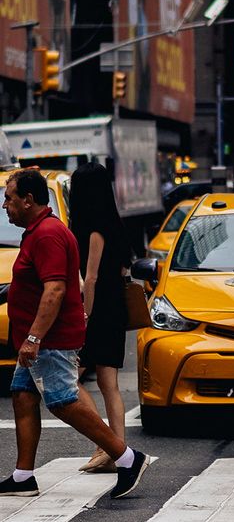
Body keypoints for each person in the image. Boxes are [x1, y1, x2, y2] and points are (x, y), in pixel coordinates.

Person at [0, 169, 149, 501]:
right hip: (41, 336)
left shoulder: (48, 235)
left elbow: (54, 290)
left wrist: (34, 338)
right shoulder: (39, 232)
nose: (5, 205)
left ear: (28, 200)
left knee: (64, 402)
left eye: (9, 198)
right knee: (23, 396)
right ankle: (24, 475)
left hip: (50, 338)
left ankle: (127, 458)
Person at [69, 162, 131, 474]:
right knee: (109, 384)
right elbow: (121, 271)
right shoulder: (114, 225)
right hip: (113, 307)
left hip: (98, 310)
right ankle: (116, 449)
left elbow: (90, 279)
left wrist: (85, 316)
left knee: (70, 377)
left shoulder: (94, 229)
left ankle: (107, 444)